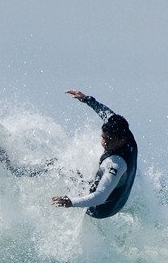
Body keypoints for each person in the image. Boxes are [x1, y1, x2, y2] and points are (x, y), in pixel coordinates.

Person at [52, 90, 137, 219]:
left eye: (110, 140)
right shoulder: (122, 131)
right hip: (119, 201)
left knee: (57, 165)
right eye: (103, 137)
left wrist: (71, 202)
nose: (104, 143)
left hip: (101, 209)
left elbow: (100, 197)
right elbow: (106, 114)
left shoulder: (116, 163)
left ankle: (17, 170)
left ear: (122, 140)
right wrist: (87, 99)